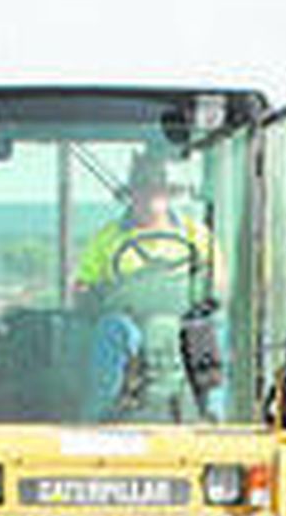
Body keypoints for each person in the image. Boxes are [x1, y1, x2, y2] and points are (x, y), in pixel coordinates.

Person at [73, 152, 223, 421]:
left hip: (185, 324)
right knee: (113, 329)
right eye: (143, 190)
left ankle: (215, 416)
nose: (149, 197)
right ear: (132, 195)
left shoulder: (197, 235)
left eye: (157, 190)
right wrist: (90, 296)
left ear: (168, 195)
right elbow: (83, 286)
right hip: (131, 325)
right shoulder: (107, 239)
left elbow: (219, 287)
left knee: (214, 331)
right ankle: (98, 416)